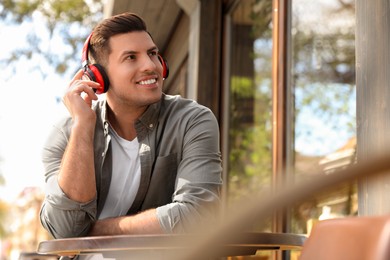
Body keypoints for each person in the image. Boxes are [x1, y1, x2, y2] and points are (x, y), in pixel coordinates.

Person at [39, 12, 223, 239]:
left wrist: (97, 231)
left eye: (153, 54)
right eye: (131, 57)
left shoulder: (192, 121)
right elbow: (64, 228)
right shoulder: (66, 133)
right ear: (98, 77)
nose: (150, 65)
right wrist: (82, 127)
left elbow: (199, 215)